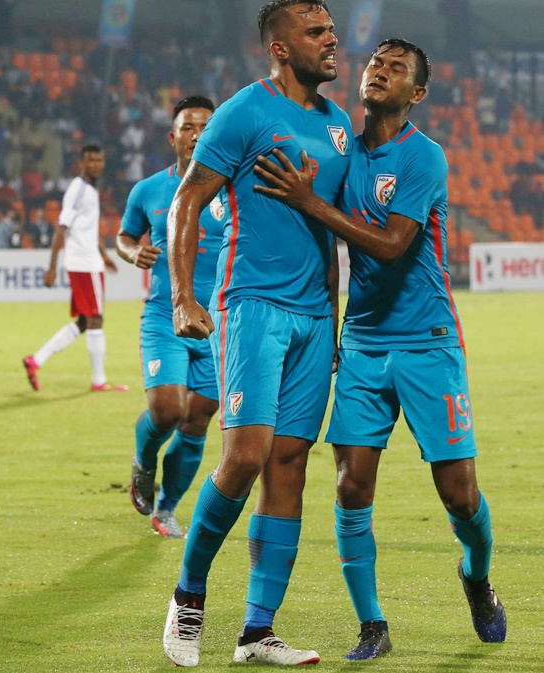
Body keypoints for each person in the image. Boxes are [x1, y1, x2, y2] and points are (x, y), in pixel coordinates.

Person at [253, 37, 507, 660]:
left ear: (416, 93)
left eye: (397, 69)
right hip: (363, 345)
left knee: (459, 495)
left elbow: (392, 246)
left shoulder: (424, 158)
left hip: (427, 343)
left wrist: (311, 201)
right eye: (375, 64)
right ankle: (373, 624)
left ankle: (476, 576)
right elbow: (317, 238)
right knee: (349, 486)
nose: (379, 72)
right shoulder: (342, 154)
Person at [162, 1, 351, 666]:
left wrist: (336, 319)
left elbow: (332, 230)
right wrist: (184, 295)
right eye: (317, 31)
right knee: (244, 456)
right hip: (253, 306)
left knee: (290, 466)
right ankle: (188, 597)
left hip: (314, 317)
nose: (333, 39)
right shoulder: (246, 110)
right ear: (279, 47)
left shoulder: (338, 126)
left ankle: (256, 631)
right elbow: (187, 199)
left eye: (331, 28)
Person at [116, 96, 224, 540]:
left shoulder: (232, 187)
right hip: (165, 314)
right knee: (167, 410)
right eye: (187, 126)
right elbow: (124, 236)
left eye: (205, 126)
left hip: (219, 322)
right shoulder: (148, 191)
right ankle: (145, 461)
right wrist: (130, 251)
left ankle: (167, 507)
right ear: (172, 136)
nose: (196, 134)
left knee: (197, 419)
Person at [22, 144, 127, 392]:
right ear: (81, 163)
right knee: (96, 319)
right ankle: (99, 381)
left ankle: (35, 361)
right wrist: (51, 267)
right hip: (84, 263)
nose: (96, 164)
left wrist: (104, 254)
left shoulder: (89, 190)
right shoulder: (79, 190)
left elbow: (87, 229)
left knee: (83, 321)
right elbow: (62, 227)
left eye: (99, 160)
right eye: (90, 160)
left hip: (89, 259)